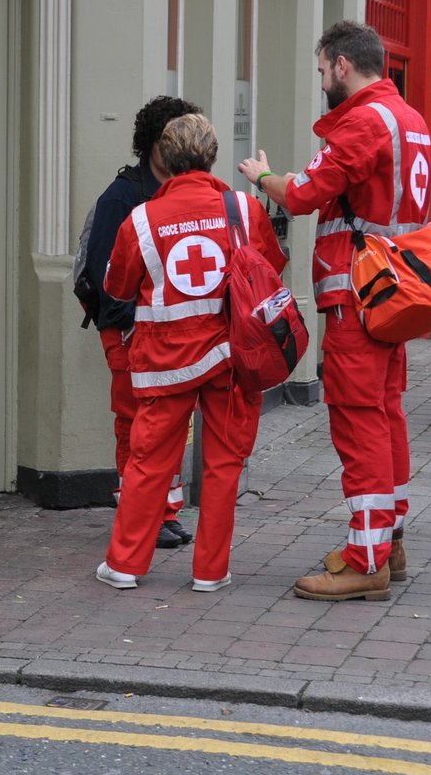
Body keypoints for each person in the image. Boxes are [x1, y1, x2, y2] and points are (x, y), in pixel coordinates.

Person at [238, 20, 431, 601]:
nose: (322, 81)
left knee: (357, 419)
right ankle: (388, 541)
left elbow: (303, 195)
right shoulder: (411, 120)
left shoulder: (364, 121)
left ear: (343, 65)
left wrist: (262, 176)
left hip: (356, 294)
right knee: (387, 411)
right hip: (396, 292)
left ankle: (365, 559)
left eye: (322, 70)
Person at [96, 114, 285, 592]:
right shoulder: (243, 209)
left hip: (166, 362)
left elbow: (116, 287)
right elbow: (270, 267)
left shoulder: (141, 218)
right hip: (231, 358)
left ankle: (124, 566)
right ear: (213, 155)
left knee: (148, 462)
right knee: (223, 466)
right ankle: (210, 572)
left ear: (166, 157)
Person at [84, 96, 202, 551]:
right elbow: (103, 274)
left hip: (173, 334)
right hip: (129, 331)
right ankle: (143, 514)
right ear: (153, 143)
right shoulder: (121, 197)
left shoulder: (187, 193)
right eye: (171, 139)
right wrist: (131, 330)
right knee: (135, 424)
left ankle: (163, 512)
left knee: (170, 426)